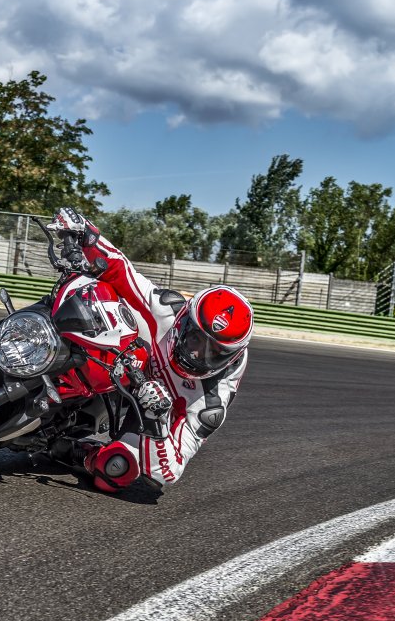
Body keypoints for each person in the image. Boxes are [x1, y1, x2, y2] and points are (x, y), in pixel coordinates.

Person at [45, 207, 252, 492]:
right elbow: (122, 270)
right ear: (184, 322)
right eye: (194, 339)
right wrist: (87, 234)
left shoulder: (210, 403)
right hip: (120, 359)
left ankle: (77, 451)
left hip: (147, 406)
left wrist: (156, 419)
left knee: (119, 469)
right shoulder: (168, 309)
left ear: (231, 357)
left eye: (212, 353)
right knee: (92, 297)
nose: (196, 355)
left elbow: (170, 472)